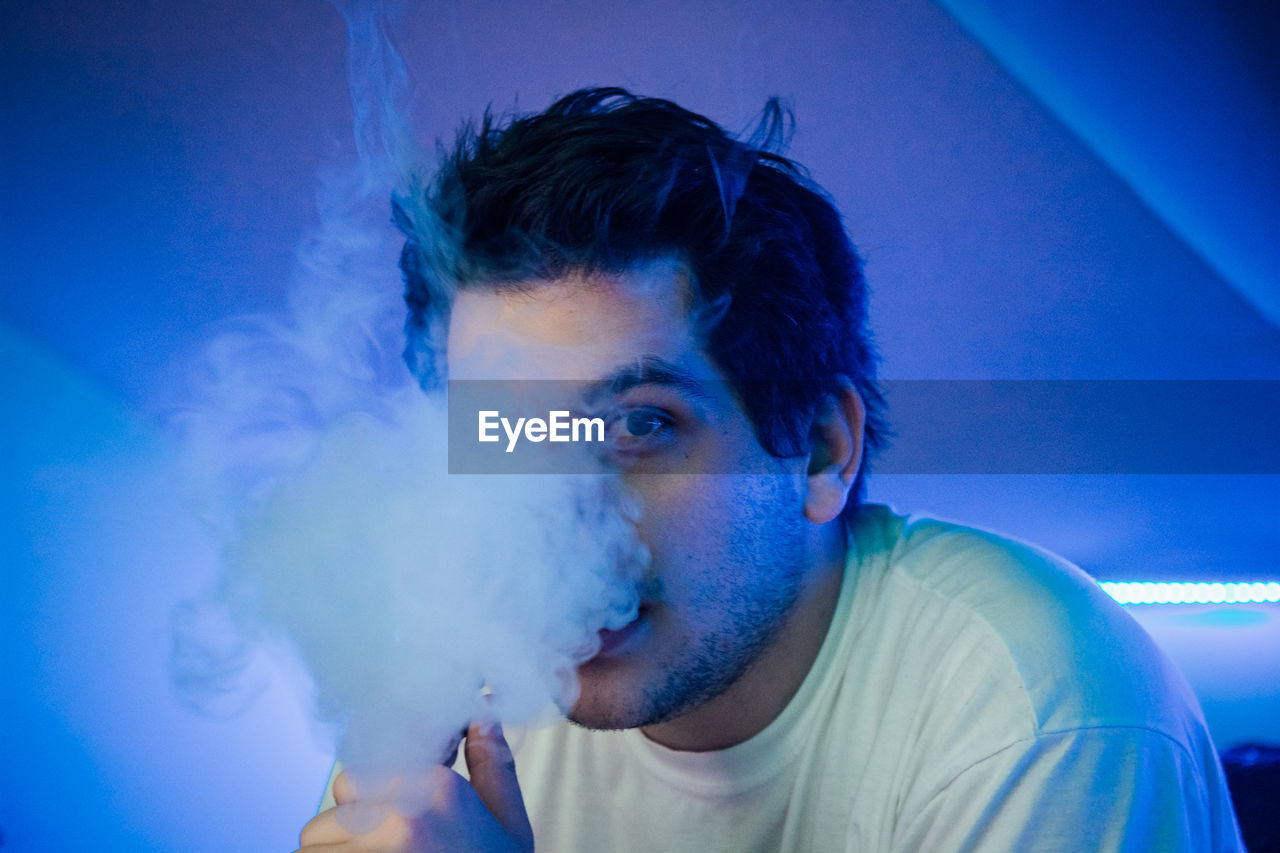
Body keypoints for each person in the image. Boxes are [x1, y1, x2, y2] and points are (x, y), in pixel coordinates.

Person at [296, 88, 1243, 852]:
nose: (556, 524)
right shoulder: (477, 701)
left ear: (822, 449)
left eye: (640, 424)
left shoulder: (1041, 709)